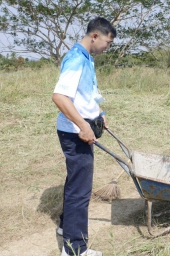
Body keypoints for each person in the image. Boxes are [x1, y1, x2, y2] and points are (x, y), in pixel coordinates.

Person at [52, 17, 116, 256]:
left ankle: (65, 227)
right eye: (108, 43)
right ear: (95, 36)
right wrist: (83, 125)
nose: (107, 48)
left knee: (75, 183)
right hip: (74, 132)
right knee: (80, 190)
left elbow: (85, 94)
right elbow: (59, 97)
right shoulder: (76, 59)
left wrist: (100, 114)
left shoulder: (87, 59)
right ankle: (74, 249)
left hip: (81, 127)